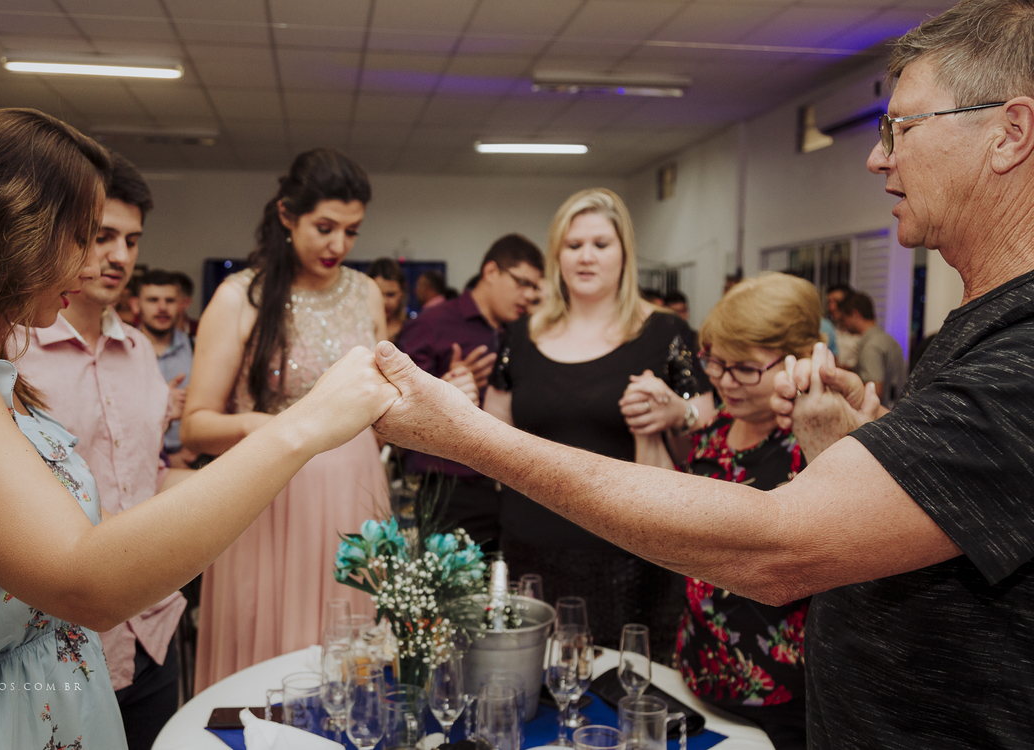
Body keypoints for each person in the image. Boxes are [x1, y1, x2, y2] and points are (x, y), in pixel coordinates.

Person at [370, 2, 1034, 744]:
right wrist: (865, 440)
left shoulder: (1023, 357)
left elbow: (777, 547)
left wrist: (471, 438)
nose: (878, 158)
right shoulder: (981, 332)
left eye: (900, 128)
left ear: (1009, 133)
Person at [0, 108, 396, 750]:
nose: (93, 261)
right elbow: (86, 581)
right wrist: (302, 427)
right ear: (13, 232)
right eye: (80, 234)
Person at [181, 148, 390, 690]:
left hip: (356, 491)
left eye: (351, 232)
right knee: (269, 646)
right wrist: (268, 428)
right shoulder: (238, 297)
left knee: (347, 649)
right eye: (324, 227)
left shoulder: (366, 293)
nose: (338, 245)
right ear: (286, 216)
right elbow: (195, 425)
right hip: (270, 491)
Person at [9, 153, 191, 750]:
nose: (120, 256)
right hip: (59, 635)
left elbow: (147, 473)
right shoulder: (11, 350)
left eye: (132, 240)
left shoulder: (140, 350)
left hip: (152, 625)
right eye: (101, 236)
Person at [483, 189, 714, 655]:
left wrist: (676, 411)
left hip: (625, 549)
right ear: (557, 257)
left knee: (620, 687)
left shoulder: (663, 331)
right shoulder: (522, 334)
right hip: (531, 539)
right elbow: (493, 429)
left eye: (600, 244)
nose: (586, 256)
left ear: (623, 253)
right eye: (573, 246)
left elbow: (710, 424)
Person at [671, 273, 821, 750]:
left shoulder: (813, 446)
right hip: (696, 673)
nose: (725, 382)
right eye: (715, 363)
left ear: (797, 358)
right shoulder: (713, 433)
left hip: (779, 702)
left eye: (745, 369)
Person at [395, 234, 543, 552]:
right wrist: (445, 388)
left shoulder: (529, 331)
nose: (528, 295)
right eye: (522, 283)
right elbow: (396, 407)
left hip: (519, 486)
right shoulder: (434, 324)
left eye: (535, 287)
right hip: (453, 487)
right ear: (491, 272)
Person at [134, 268, 196, 467]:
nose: (162, 307)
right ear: (136, 305)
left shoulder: (198, 347)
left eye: (169, 301)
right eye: (153, 300)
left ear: (180, 306)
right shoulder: (119, 350)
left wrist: (193, 451)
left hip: (190, 459)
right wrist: (162, 401)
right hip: (139, 461)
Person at [838, 291, 907, 408]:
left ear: (855, 314)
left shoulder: (870, 347)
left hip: (882, 416)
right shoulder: (888, 340)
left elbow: (875, 389)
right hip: (897, 411)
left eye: (843, 319)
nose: (842, 325)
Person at [367, 257, 409, 342]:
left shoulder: (412, 329)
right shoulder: (361, 328)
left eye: (390, 295)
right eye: (378, 294)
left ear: (402, 292)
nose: (384, 302)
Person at [825, 284, 860, 368]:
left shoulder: (859, 334)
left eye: (837, 302)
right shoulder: (828, 328)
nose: (832, 307)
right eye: (829, 302)